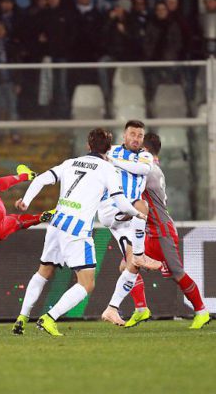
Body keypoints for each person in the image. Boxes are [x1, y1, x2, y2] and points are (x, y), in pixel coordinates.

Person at [12, 128, 147, 336]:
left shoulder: (70, 163)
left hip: (56, 225)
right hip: (77, 229)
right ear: (108, 149)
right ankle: (49, 318)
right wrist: (136, 213)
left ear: (88, 145)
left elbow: (40, 180)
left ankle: (22, 317)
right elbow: (120, 201)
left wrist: (26, 201)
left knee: (43, 271)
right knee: (87, 283)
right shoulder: (108, 169)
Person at [124, 133, 210, 330]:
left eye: (138, 148)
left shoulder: (149, 171)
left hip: (162, 231)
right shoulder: (153, 168)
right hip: (152, 231)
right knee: (127, 264)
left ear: (145, 150)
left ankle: (202, 311)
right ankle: (141, 309)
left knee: (177, 273)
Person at [97, 120, 163, 326]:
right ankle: (141, 254)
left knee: (131, 265)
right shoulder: (112, 150)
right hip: (111, 207)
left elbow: (142, 169)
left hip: (128, 218)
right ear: (124, 135)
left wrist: (114, 162)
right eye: (132, 134)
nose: (136, 138)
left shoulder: (145, 156)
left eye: (140, 135)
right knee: (142, 205)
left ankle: (111, 309)